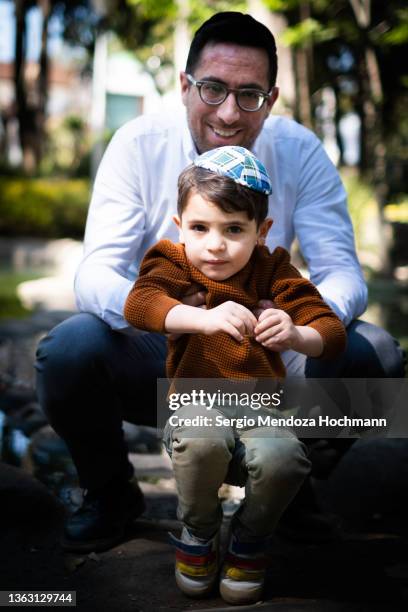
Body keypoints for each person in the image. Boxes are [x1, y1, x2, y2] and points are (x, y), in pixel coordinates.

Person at [35, 11, 404, 557]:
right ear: (185, 86)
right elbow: (95, 275)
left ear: (272, 98)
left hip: (270, 349)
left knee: (379, 355)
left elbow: (343, 271)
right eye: (213, 89)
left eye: (249, 95)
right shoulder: (138, 144)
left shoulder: (301, 152)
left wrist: (298, 322)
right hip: (166, 356)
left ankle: (287, 489)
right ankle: (111, 493)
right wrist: (176, 313)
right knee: (68, 350)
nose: (230, 113)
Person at [123, 145, 347, 604]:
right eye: (200, 227)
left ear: (261, 231)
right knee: (201, 442)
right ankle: (199, 532)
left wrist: (295, 333)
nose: (215, 244)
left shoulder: (273, 270)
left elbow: (331, 330)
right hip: (194, 401)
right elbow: (139, 304)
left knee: (285, 459)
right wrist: (201, 319)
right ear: (179, 225)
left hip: (261, 406)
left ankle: (250, 538)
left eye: (234, 230)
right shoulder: (172, 260)